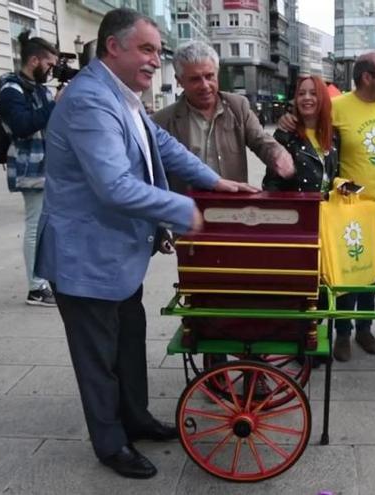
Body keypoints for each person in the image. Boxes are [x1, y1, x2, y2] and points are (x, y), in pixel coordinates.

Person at [35, 9, 257, 479]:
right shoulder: (90, 101)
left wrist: (215, 181)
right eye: (148, 49)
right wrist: (186, 211)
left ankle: (135, 417)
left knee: (129, 346)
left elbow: (163, 146)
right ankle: (111, 443)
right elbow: (113, 185)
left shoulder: (125, 96)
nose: (156, 60)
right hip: (87, 261)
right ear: (113, 47)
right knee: (99, 361)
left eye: (158, 50)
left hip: (119, 259)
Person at [279, 51, 375, 362]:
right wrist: (287, 117)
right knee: (348, 274)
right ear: (366, 77)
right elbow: (312, 126)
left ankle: (364, 329)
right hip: (347, 209)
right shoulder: (337, 107)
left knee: (372, 273)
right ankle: (343, 333)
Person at [151, 41, 293, 187]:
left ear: (217, 73)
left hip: (230, 205)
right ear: (179, 81)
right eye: (195, 79)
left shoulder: (238, 107)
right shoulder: (162, 121)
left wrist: (278, 154)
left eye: (209, 76)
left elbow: (261, 141)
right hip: (187, 206)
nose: (205, 85)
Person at [0, 31, 59, 307]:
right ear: (34, 61)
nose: (51, 70)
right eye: (49, 64)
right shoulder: (11, 90)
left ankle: (44, 278)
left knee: (45, 225)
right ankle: (35, 287)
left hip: (46, 166)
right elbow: (22, 126)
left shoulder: (38, 90)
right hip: (30, 167)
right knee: (35, 226)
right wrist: (55, 103)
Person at [264, 75, 338, 193]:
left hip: (328, 209)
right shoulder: (285, 135)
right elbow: (271, 183)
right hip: (298, 209)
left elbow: (336, 174)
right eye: (301, 94)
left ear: (323, 98)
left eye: (313, 93)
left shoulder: (334, 134)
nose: (306, 98)